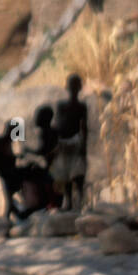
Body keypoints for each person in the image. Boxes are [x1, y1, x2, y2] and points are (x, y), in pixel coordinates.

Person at [52, 74, 88, 212]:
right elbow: (58, 124)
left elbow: (84, 127)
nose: (73, 89)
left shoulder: (81, 107)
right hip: (64, 142)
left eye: (75, 86)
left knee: (78, 174)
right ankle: (69, 203)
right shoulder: (62, 106)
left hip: (74, 140)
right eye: (72, 86)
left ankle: (79, 202)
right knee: (66, 173)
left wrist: (84, 146)